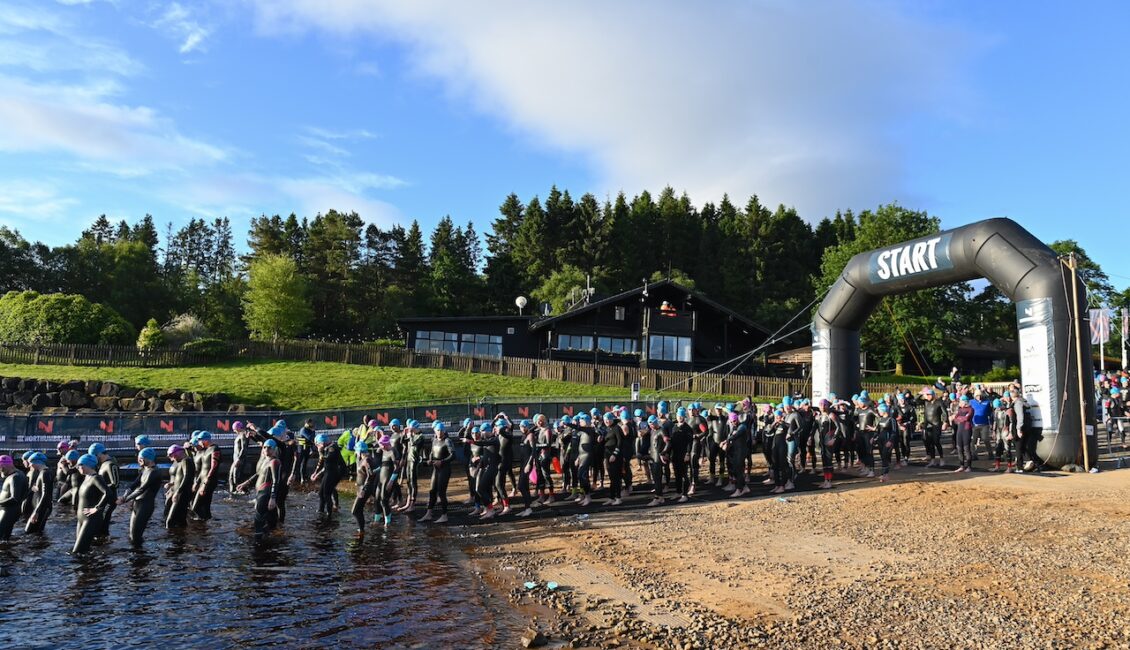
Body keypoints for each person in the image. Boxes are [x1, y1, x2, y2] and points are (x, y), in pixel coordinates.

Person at [238, 439, 281, 544]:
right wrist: (245, 483)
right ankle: (270, 542)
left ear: (274, 449)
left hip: (266, 493)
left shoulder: (274, 462)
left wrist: (273, 498)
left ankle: (258, 544)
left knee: (258, 519)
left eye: (269, 448)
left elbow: (276, 481)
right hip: (260, 492)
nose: (266, 449)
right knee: (271, 520)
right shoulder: (265, 460)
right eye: (265, 447)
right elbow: (258, 474)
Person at [119, 447, 162, 546]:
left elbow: (141, 489)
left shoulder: (154, 472)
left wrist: (124, 500)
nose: (139, 461)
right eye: (139, 458)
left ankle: (141, 557)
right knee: (132, 535)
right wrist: (125, 495)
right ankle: (135, 556)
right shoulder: (144, 469)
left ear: (149, 459)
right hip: (137, 504)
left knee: (136, 535)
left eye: (141, 458)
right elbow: (134, 484)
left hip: (145, 506)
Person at [72, 453, 112, 554]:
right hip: (82, 519)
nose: (77, 468)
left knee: (78, 551)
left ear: (87, 465)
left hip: (91, 520)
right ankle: (90, 567)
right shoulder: (86, 477)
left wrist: (97, 508)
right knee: (82, 551)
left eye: (79, 465)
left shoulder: (96, 478)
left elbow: (108, 493)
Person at [420, 421, 454, 523]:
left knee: (441, 493)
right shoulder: (434, 440)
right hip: (436, 469)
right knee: (432, 491)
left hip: (445, 469)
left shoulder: (447, 441)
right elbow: (432, 452)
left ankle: (444, 515)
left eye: (441, 430)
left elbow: (453, 455)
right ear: (435, 430)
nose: (439, 432)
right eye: (438, 430)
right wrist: (430, 460)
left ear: (444, 431)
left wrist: (442, 461)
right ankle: (429, 514)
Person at [311, 433, 347, 516]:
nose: (317, 447)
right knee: (321, 493)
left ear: (322, 443)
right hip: (329, 471)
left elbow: (327, 459)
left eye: (317, 444)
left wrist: (320, 452)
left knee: (327, 493)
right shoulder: (326, 448)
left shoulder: (332, 448)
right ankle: (321, 511)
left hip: (335, 473)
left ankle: (329, 514)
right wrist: (315, 472)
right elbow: (322, 463)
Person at [88, 443, 119, 538]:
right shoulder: (102, 464)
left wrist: (99, 488)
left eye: (94, 456)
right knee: (99, 527)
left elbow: (116, 483)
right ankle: (103, 547)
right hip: (104, 500)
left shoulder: (110, 464)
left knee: (103, 527)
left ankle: (104, 549)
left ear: (99, 454)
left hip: (109, 501)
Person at [191, 431, 222, 521]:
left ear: (205, 440)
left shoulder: (215, 449)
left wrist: (205, 483)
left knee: (195, 507)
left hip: (209, 481)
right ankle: (207, 527)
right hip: (203, 480)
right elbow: (203, 469)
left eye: (199, 441)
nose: (199, 443)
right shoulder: (205, 450)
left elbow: (214, 467)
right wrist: (197, 482)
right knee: (205, 506)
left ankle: (203, 524)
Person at [165, 444, 196, 529]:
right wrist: (172, 484)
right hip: (181, 493)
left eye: (171, 456)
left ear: (177, 453)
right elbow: (181, 478)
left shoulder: (186, 461)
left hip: (182, 494)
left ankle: (173, 540)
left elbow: (187, 477)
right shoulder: (182, 462)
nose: (172, 459)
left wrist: (178, 492)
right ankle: (182, 539)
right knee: (180, 519)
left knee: (170, 521)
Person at [375, 434, 402, 525]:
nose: (380, 447)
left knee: (384, 501)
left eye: (381, 445)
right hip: (381, 479)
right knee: (377, 499)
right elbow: (384, 465)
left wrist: (391, 481)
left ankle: (388, 522)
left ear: (386, 444)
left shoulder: (392, 451)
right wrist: (374, 471)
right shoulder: (384, 451)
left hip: (389, 480)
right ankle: (377, 519)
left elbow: (397, 468)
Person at [0, 455, 29, 541]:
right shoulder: (14, 475)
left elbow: (15, 498)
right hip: (7, 511)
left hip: (9, 512)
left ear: (5, 465)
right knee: (4, 539)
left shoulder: (16, 477)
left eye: (0, 467)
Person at [722, 411, 750, 496]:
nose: (732, 423)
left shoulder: (742, 426)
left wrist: (725, 441)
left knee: (738, 470)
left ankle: (739, 489)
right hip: (736, 451)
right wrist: (725, 442)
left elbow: (735, 435)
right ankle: (745, 487)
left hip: (741, 451)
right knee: (736, 469)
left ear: (737, 419)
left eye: (734, 421)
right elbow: (731, 436)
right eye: (731, 421)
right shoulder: (734, 427)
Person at [24, 452, 54, 535]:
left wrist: (36, 512)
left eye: (30, 463)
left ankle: (40, 547)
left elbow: (46, 494)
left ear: (36, 462)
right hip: (41, 507)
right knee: (35, 533)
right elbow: (42, 489)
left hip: (42, 508)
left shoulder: (45, 473)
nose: (29, 465)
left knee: (30, 532)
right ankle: (40, 546)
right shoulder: (42, 472)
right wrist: (35, 488)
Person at [350, 441, 376, 534]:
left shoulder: (367, 460)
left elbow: (371, 475)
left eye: (356, 451)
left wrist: (364, 489)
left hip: (365, 488)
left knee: (355, 510)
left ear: (360, 451)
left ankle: (361, 530)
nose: (355, 453)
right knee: (359, 509)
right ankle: (361, 529)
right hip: (362, 488)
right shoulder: (363, 459)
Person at [815, 399, 839, 489]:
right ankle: (825, 480)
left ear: (827, 406)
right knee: (824, 461)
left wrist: (834, 439)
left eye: (824, 405)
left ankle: (829, 481)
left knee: (828, 461)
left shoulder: (831, 416)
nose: (822, 407)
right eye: (820, 405)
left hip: (829, 441)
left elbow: (838, 428)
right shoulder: (819, 417)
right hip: (822, 441)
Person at [646, 416, 668, 506]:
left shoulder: (661, 431)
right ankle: (660, 497)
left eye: (652, 424)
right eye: (649, 424)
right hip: (653, 457)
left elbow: (668, 443)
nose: (651, 425)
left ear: (656, 423)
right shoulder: (652, 431)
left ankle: (657, 497)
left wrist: (663, 453)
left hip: (658, 458)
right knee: (655, 478)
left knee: (657, 478)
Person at [921, 389, 946, 468]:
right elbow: (915, 400)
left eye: (929, 395)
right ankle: (933, 460)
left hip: (936, 424)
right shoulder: (926, 402)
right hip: (928, 425)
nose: (928, 396)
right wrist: (921, 393)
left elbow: (945, 413)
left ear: (933, 395)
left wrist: (945, 422)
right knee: (930, 443)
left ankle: (941, 458)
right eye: (927, 395)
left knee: (936, 441)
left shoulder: (939, 402)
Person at [875, 404, 899, 482]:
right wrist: (873, 438)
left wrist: (890, 441)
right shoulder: (881, 419)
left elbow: (894, 432)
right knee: (882, 457)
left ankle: (885, 475)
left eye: (879, 411)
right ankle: (883, 474)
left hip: (887, 441)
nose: (878, 412)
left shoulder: (891, 419)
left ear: (883, 410)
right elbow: (878, 430)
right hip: (880, 441)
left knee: (885, 456)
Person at [992, 397, 1016, 473]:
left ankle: (1009, 467)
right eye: (996, 407)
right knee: (997, 448)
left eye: (998, 407)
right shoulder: (996, 411)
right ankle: (997, 466)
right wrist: (993, 431)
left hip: (1005, 431)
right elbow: (995, 422)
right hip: (998, 431)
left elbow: (1012, 422)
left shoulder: (1007, 411)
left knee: (1007, 449)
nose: (998, 408)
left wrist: (1010, 432)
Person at [953, 395, 974, 473]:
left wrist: (960, 418)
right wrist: (960, 418)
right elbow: (955, 419)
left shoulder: (970, 409)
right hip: (960, 430)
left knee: (966, 448)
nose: (959, 403)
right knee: (959, 448)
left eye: (960, 401)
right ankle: (961, 465)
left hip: (966, 430)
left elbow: (967, 418)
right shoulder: (960, 410)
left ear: (964, 402)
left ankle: (969, 466)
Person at [291, 419, 316, 484]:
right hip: (301, 449)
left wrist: (312, 449)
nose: (312, 425)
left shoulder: (309, 430)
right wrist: (313, 432)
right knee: (300, 462)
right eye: (311, 423)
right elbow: (309, 438)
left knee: (304, 463)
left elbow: (312, 440)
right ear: (307, 423)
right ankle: (298, 477)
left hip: (307, 448)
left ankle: (303, 477)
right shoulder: (303, 430)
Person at [230, 421, 249, 495]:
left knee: (236, 478)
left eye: (234, 429)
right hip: (236, 460)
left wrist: (239, 458)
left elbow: (244, 448)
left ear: (237, 428)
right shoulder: (240, 435)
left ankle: (244, 492)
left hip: (239, 460)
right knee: (231, 477)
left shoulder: (243, 435)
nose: (234, 431)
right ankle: (233, 492)